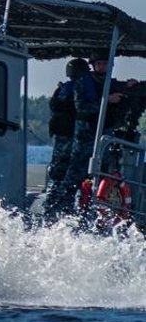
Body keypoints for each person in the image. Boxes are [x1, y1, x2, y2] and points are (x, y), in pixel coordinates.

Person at [46, 57, 100, 214]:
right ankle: (64, 206)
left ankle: (51, 206)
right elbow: (82, 107)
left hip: (61, 139)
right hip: (74, 138)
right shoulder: (80, 84)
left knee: (58, 174)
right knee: (73, 174)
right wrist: (104, 103)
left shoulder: (63, 89)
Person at [43, 58, 86, 199]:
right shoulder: (77, 89)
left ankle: (53, 197)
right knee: (67, 170)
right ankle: (59, 198)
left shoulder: (62, 89)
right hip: (69, 135)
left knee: (58, 169)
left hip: (60, 135)